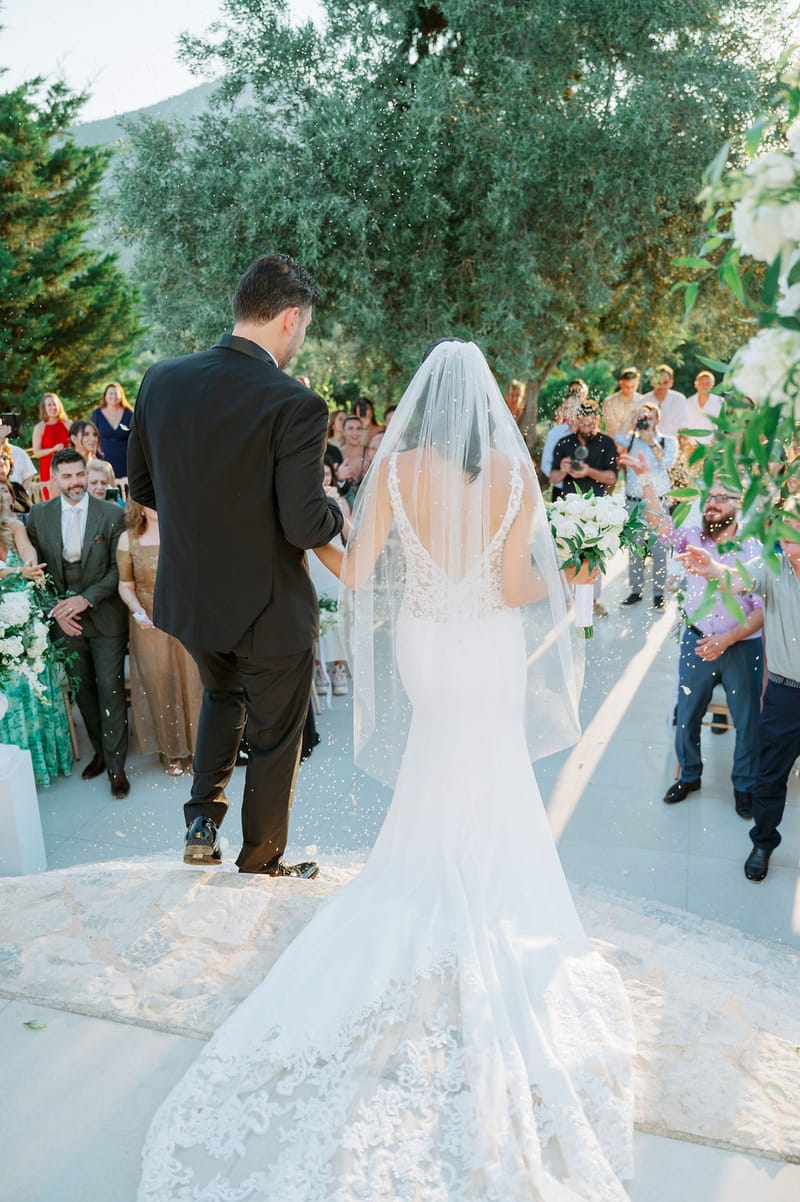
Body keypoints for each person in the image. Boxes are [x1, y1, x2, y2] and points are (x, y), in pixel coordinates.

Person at [137, 338, 634, 1202]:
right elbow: (517, 588)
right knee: (491, 769)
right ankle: (484, 886)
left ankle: (428, 876)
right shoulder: (515, 477)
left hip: (425, 647)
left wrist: (301, 541)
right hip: (486, 648)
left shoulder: (398, 473)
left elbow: (357, 572)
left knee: (436, 763)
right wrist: (578, 565)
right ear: (490, 409)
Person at [127, 253, 344, 877]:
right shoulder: (296, 403)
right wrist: (336, 512)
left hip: (192, 596)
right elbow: (304, 526)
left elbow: (143, 487)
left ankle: (201, 822)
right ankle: (260, 862)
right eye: (305, 327)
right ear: (290, 318)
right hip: (269, 607)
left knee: (223, 695)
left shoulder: (161, 379)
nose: (302, 337)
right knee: (276, 735)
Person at [621, 454, 764, 816]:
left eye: (722, 498)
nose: (712, 504)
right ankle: (689, 775)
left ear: (738, 504)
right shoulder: (693, 538)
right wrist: (645, 477)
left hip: (741, 646)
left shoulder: (753, 548)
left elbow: (761, 611)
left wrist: (727, 640)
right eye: (710, 497)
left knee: (746, 720)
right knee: (687, 713)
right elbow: (660, 527)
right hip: (697, 639)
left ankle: (744, 786)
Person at [680, 510, 800, 881]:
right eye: (785, 525)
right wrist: (712, 569)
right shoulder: (773, 567)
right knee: (770, 774)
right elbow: (736, 579)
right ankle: (763, 843)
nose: (790, 531)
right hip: (786, 692)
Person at [25, 449, 130, 798]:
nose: (75, 482)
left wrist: (85, 599)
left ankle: (116, 766)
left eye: (79, 475)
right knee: (83, 689)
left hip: (105, 615)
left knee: (110, 687)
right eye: (67, 476)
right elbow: (35, 571)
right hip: (64, 620)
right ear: (54, 478)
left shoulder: (111, 514)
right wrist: (57, 610)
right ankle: (100, 752)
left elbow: (118, 569)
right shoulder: (38, 516)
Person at [117, 502, 204, 776]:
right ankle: (171, 752)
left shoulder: (183, 531)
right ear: (138, 505)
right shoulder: (128, 539)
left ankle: (199, 751)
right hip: (150, 624)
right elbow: (125, 585)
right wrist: (136, 610)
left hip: (186, 621)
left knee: (194, 683)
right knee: (160, 684)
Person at [0, 490, 74, 786]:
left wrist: (29, 566)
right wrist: (18, 571)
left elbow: (28, 553)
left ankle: (45, 760)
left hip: (26, 620)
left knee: (37, 683)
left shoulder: (14, 527)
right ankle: (15, 768)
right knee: (10, 693)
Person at [549, 398, 618, 617]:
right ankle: (568, 598)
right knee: (567, 552)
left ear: (597, 420)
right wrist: (563, 470)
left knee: (595, 556)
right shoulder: (564, 443)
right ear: (577, 420)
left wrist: (589, 471)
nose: (588, 428)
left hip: (598, 511)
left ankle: (593, 600)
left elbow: (612, 477)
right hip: (570, 510)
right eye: (584, 423)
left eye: (592, 423)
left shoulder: (607, 443)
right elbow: (553, 478)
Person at [619, 401, 677, 608]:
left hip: (658, 503)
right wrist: (631, 417)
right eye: (643, 418)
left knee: (660, 549)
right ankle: (636, 591)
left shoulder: (668, 441)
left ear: (658, 420)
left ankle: (659, 594)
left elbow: (668, 463)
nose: (646, 422)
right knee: (635, 549)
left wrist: (651, 442)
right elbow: (617, 438)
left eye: (649, 418)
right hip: (633, 503)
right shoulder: (631, 440)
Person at [90, 381, 134, 480]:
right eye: (110, 393)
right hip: (103, 460)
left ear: (121, 396)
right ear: (105, 396)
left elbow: (136, 436)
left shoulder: (129, 413)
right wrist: (92, 454)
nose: (113, 396)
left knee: (124, 487)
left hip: (126, 460)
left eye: (116, 393)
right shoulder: (97, 413)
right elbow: (92, 435)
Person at [31, 392, 71, 499]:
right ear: (44, 408)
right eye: (49, 405)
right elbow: (37, 453)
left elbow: (76, 445)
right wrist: (53, 449)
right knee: (51, 500)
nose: (53, 407)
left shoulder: (68, 424)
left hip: (68, 467)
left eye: (55, 404)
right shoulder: (39, 428)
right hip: (48, 470)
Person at [640, 363, 688, 439]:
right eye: (658, 382)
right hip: (647, 442)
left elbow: (683, 426)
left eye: (665, 382)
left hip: (673, 443)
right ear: (652, 382)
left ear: (671, 383)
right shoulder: (643, 401)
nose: (661, 386)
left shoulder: (680, 400)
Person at [602, 366, 643, 445]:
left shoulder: (642, 401)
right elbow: (612, 427)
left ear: (637, 384)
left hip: (634, 444)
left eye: (633, 386)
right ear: (621, 384)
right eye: (627, 386)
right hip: (612, 443)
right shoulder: (609, 402)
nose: (630, 390)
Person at [683, 369, 723, 446]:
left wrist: (714, 443)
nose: (704, 386)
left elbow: (722, 425)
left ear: (712, 385)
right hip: (692, 446)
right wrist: (686, 443)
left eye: (707, 383)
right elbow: (683, 425)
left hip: (712, 446)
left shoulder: (720, 402)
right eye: (701, 383)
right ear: (696, 384)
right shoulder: (687, 403)